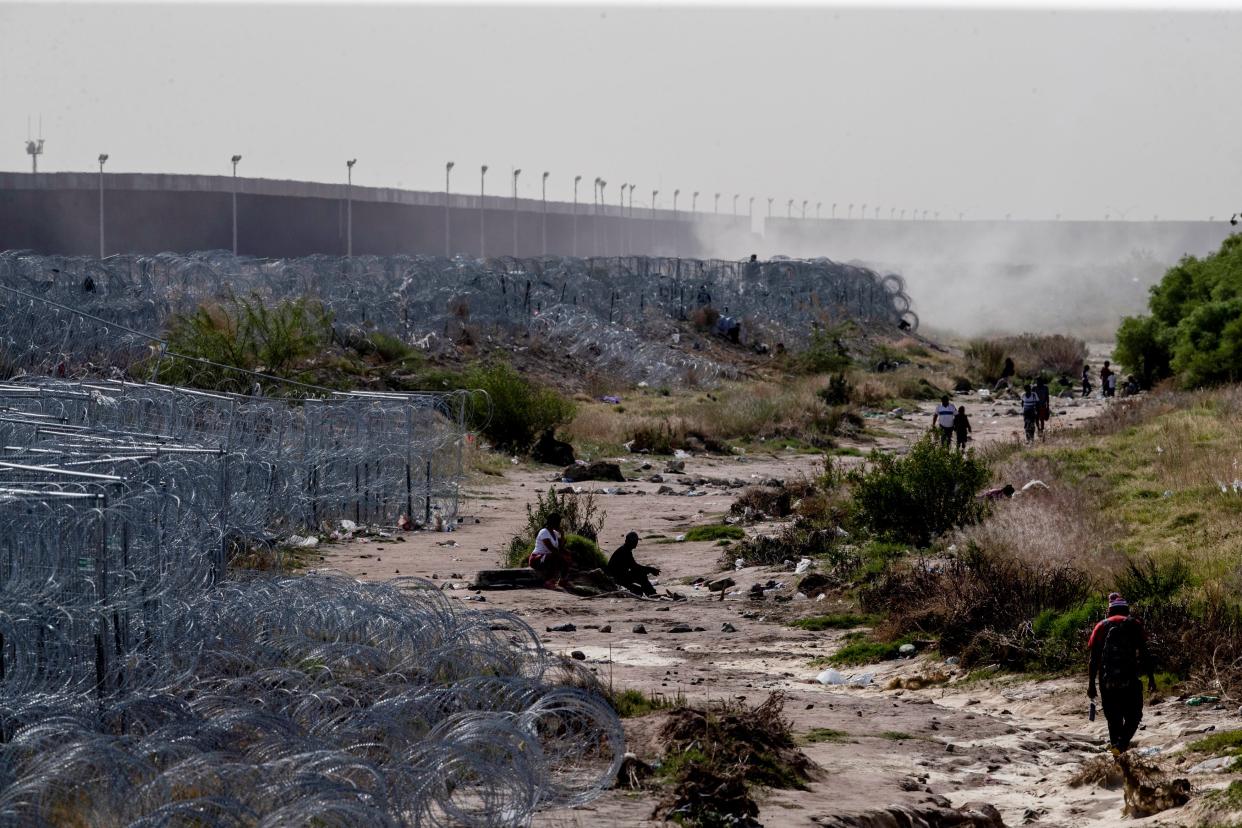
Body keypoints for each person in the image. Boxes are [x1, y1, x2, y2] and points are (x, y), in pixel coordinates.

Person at [1088, 593, 1156, 753]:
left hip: (1107, 682)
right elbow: (1145, 655)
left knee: (1113, 720)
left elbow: (1093, 660)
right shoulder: (1134, 624)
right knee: (1134, 717)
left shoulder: (1101, 627)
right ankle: (1122, 744)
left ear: (1109, 611)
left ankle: (1117, 756)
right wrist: (1151, 679)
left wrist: (1092, 685)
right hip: (1130, 680)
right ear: (1126, 610)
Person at [607, 531, 660, 597]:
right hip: (617, 578)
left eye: (635, 541)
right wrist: (650, 570)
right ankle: (652, 594)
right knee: (641, 575)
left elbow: (634, 566)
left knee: (639, 581)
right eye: (633, 541)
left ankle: (651, 593)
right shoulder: (624, 551)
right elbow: (635, 567)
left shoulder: (626, 550)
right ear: (626, 541)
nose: (635, 543)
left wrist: (649, 570)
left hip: (620, 576)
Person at [528, 512, 569, 589]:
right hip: (536, 559)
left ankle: (563, 580)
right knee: (555, 556)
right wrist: (562, 556)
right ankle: (548, 581)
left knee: (567, 555)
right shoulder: (544, 532)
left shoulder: (554, 533)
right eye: (558, 522)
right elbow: (552, 549)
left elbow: (561, 547)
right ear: (554, 522)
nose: (559, 524)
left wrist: (562, 534)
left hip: (548, 557)